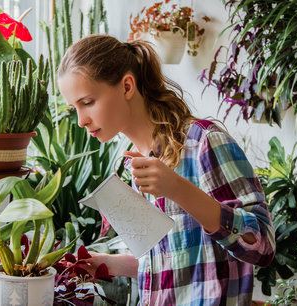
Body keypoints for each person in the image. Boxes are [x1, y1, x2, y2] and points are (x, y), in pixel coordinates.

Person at [57, 34, 275, 305]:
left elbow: (263, 247)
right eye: (74, 107)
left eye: (87, 102)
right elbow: (173, 263)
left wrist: (178, 189)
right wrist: (108, 264)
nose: (80, 120)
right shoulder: (135, 163)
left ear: (126, 86)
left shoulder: (203, 142)